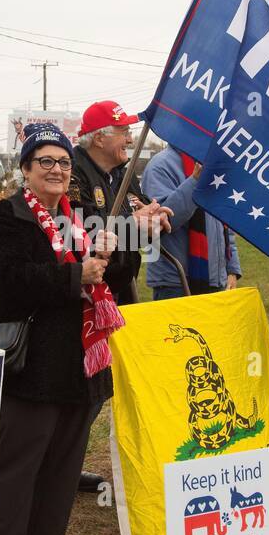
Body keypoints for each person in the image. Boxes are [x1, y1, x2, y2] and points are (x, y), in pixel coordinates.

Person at [0, 123, 130, 535]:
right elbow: (13, 278)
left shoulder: (81, 216)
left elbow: (118, 273)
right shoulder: (9, 217)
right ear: (25, 169)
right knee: (20, 460)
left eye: (63, 161)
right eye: (45, 161)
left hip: (83, 360)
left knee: (65, 458)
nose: (57, 170)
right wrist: (73, 275)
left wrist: (115, 250)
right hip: (35, 362)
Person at [68, 100, 172, 492]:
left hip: (119, 291)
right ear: (98, 138)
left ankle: (69, 461)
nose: (130, 136)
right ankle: (61, 462)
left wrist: (158, 216)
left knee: (102, 383)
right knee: (85, 384)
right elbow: (78, 231)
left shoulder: (122, 173)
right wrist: (137, 223)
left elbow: (143, 210)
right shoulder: (75, 171)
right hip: (84, 295)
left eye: (130, 129)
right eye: (122, 130)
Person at [140, 145, 241, 299]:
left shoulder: (208, 163)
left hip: (217, 281)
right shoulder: (160, 165)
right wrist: (195, 182)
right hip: (176, 283)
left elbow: (224, 222)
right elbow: (162, 222)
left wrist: (232, 269)